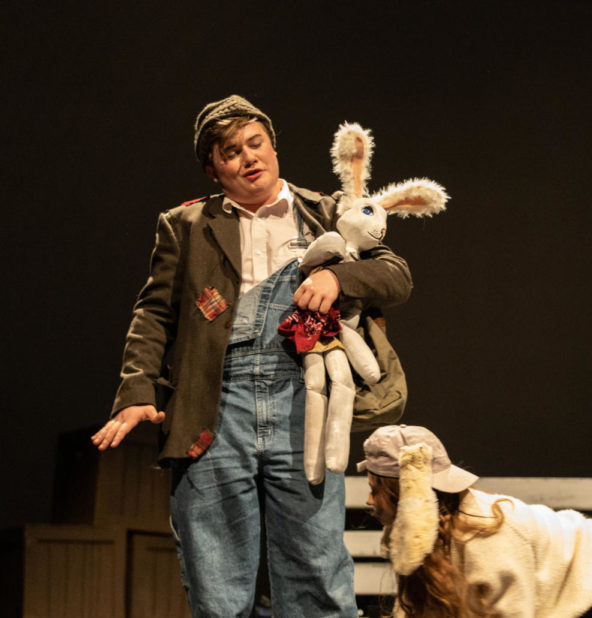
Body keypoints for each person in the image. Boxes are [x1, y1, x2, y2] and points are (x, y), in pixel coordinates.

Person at [91, 94, 412, 616]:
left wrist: (337, 275)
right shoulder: (185, 225)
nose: (248, 157)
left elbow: (395, 276)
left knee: (318, 577)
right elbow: (153, 316)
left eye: (255, 143)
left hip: (302, 399)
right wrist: (138, 390)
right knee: (217, 590)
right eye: (231, 151)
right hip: (215, 406)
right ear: (213, 170)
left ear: (273, 146)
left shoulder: (324, 211)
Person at [358, 424, 592, 617]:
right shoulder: (421, 537)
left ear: (404, 495)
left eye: (375, 491)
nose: (370, 502)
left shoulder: (484, 533)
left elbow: (515, 612)